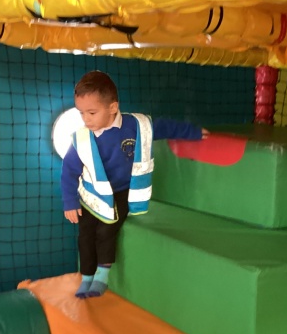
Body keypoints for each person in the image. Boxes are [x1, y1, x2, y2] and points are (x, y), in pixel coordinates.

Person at [61, 70, 207, 298]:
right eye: (81, 113)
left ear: (112, 107)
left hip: (122, 191)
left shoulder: (136, 126)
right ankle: (87, 276)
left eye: (92, 112)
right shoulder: (81, 138)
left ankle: (102, 275)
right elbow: (69, 171)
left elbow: (164, 127)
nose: (86, 119)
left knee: (107, 228)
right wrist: (70, 201)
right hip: (93, 194)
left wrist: (194, 132)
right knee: (85, 233)